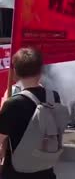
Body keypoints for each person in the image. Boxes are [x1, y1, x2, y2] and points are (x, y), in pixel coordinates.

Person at [0, 48, 66, 179]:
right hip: (46, 167)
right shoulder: (53, 97)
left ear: (15, 73)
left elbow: (1, 137)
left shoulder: (12, 103)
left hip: (17, 171)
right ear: (40, 71)